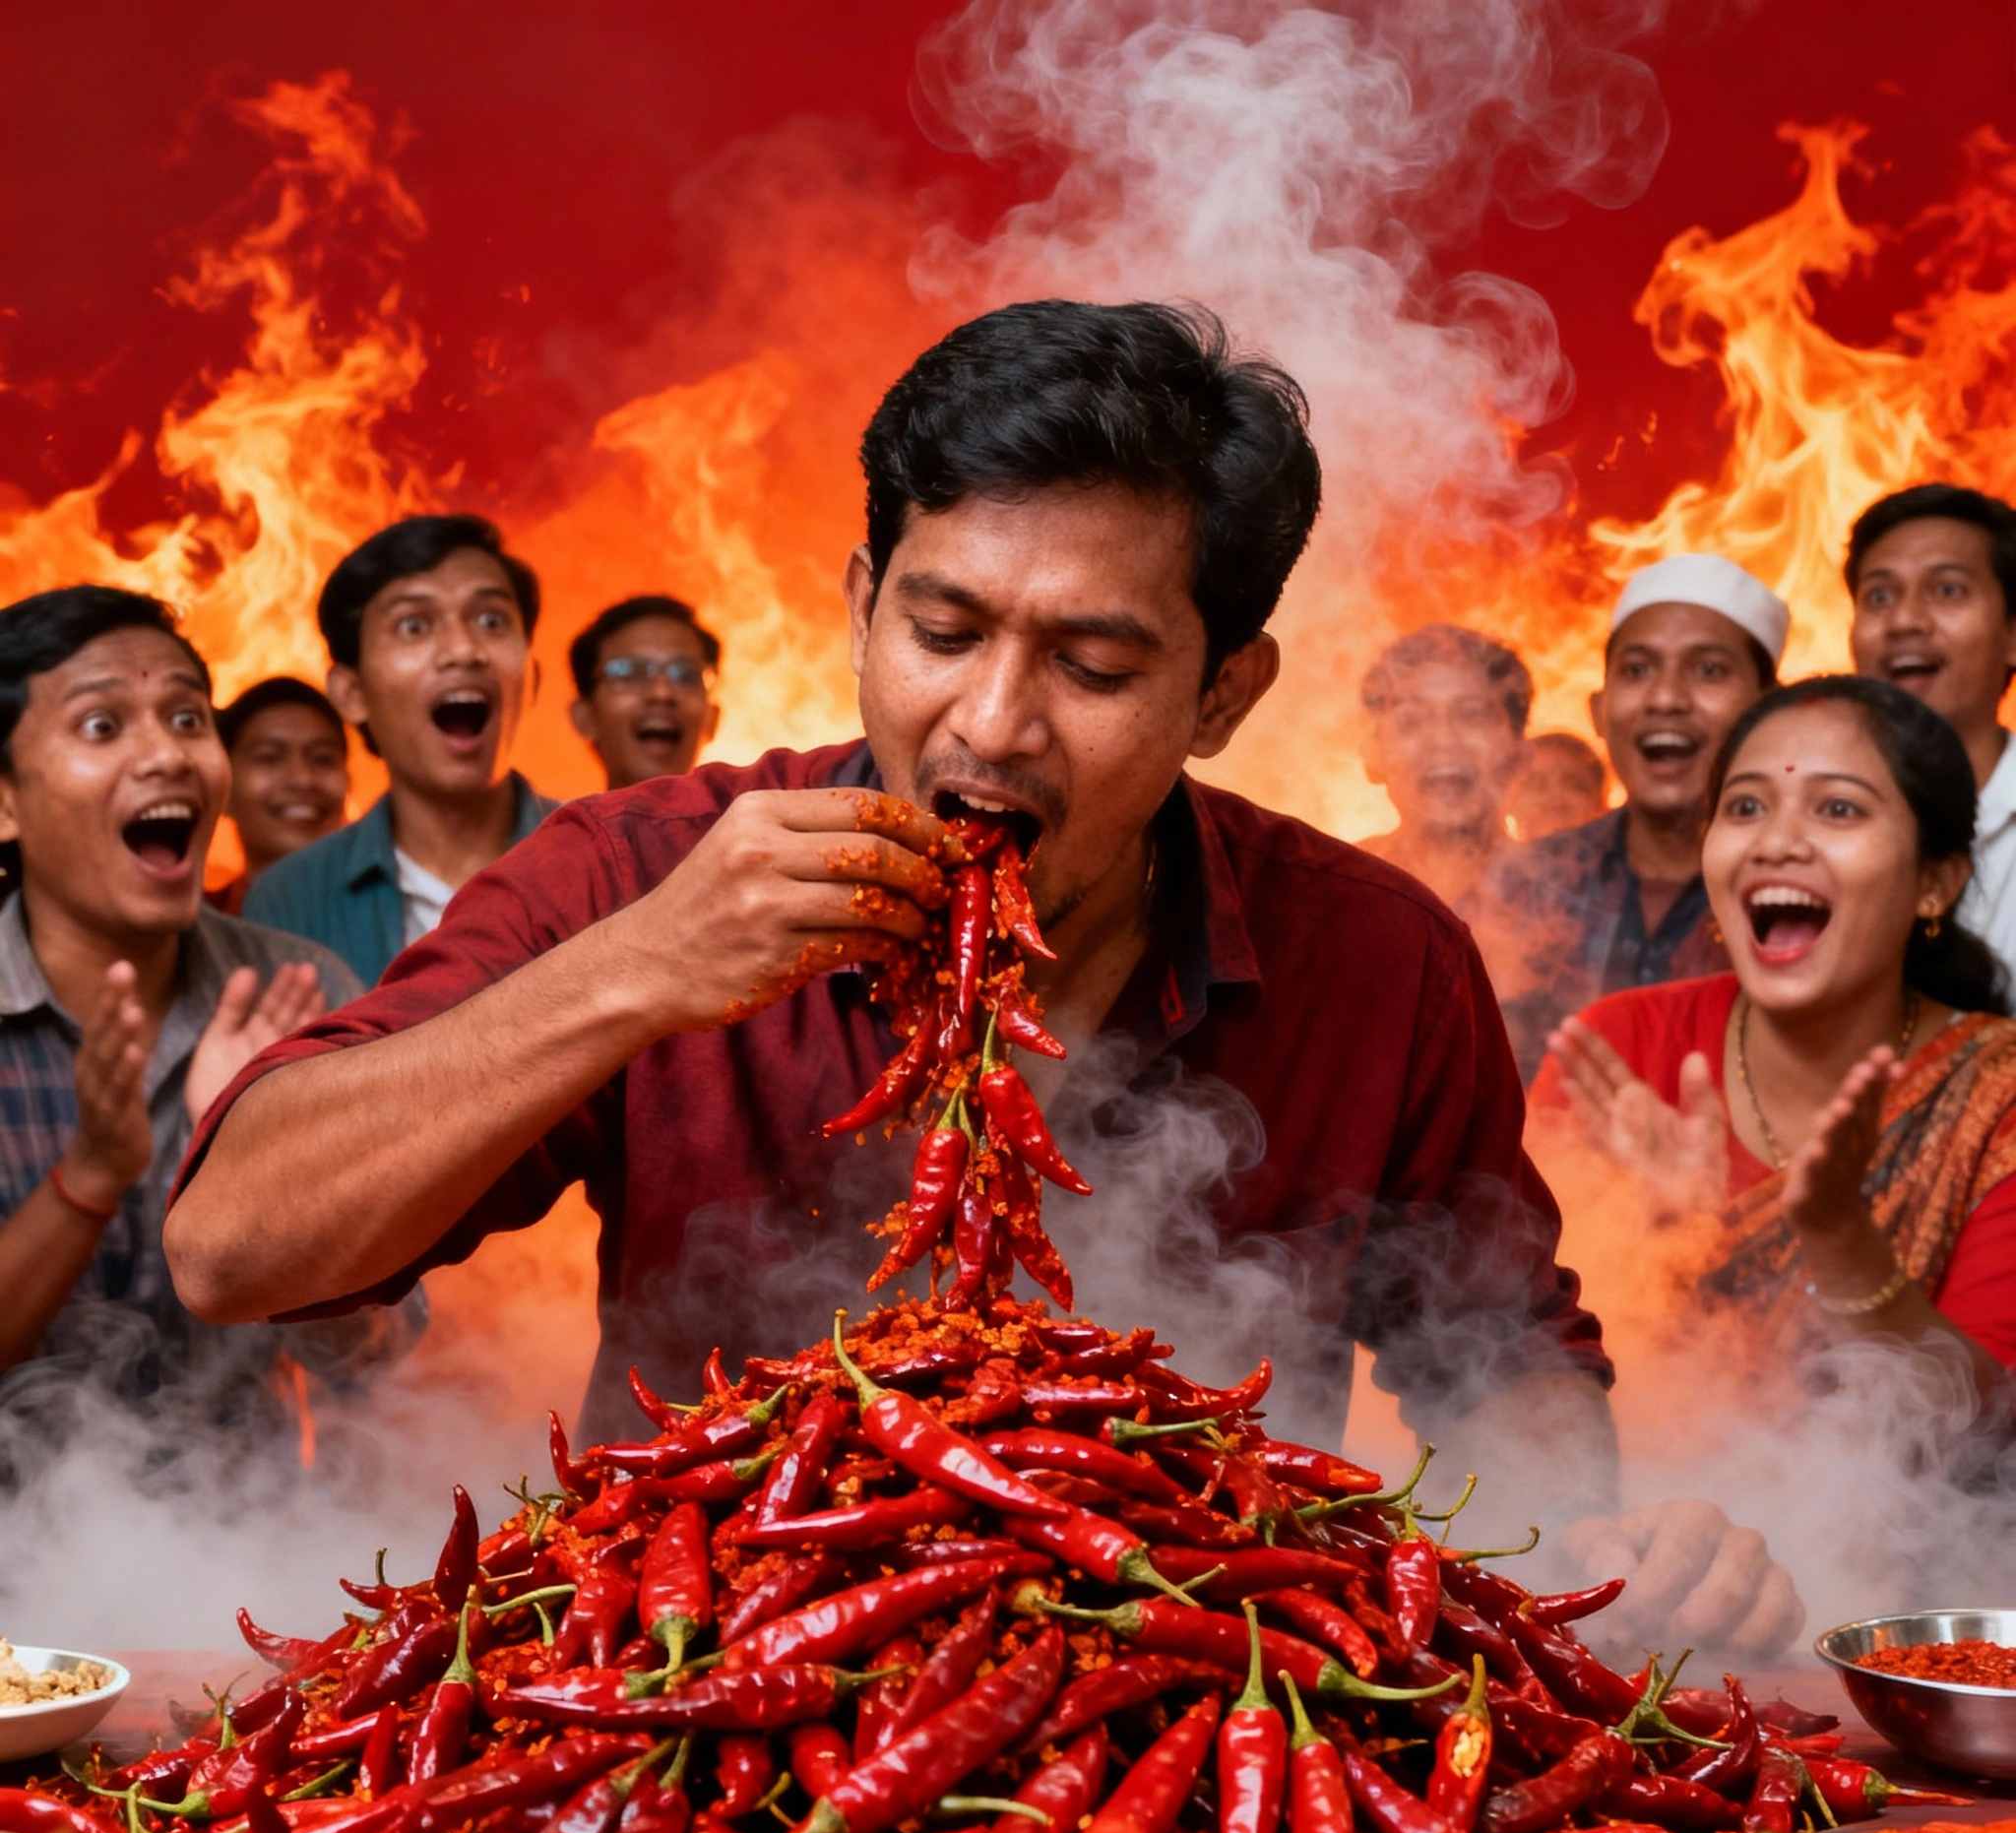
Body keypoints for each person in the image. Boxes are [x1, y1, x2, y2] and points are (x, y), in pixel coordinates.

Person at [165, 299, 1797, 1651]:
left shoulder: (1369, 957)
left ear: (1224, 692)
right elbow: (236, 1246)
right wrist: (636, 972)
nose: (994, 723)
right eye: (940, 629)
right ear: (863, 604)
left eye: (1091, 664)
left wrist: (1591, 1548)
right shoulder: (645, 869)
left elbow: (1496, 1347)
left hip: (1181, 1703)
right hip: (685, 1705)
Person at [0, 586, 410, 1437]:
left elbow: (372, 1351)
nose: (170, 756)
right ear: (5, 801)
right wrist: (95, 1172)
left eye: (189, 719)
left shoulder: (306, 990)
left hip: (241, 1554)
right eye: (103, 726)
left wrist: (262, 1178)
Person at [1537, 676, 2015, 1386]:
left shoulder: (1996, 1101)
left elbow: (1991, 1444)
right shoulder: (1621, 1048)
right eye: (1747, 806)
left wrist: (1843, 1242)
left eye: (1839, 808)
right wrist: (1658, 1254)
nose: (1777, 841)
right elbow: (1506, 1361)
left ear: (1935, 883)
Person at [1483, 553, 1786, 1083]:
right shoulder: (1527, 882)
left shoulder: (1797, 887)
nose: (1666, 698)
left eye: (1708, 669)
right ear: (1599, 712)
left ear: (1769, 708)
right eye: (1638, 670)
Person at [243, 516, 558, 984]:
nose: (463, 650)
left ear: (531, 676)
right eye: (414, 625)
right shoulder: (289, 899)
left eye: (491, 620)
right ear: (352, 693)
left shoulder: (611, 864)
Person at [1848, 482, 2016, 987]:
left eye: (1947, 590)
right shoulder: (1813, 821)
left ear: (2012, 635)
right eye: (1879, 595)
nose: (1903, 620)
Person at [1356, 624, 1530, 912]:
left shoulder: (1571, 898)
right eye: (1411, 720)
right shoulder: (1334, 885)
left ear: (1520, 756)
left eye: (1472, 715)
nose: (1443, 741)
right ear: (1373, 757)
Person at [209, 675, 350, 915]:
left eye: (323, 759)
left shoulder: (396, 916)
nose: (303, 779)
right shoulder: (188, 929)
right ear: (224, 788)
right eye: (269, 758)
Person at [569, 596, 723, 790]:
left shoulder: (751, 817)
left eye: (686, 675)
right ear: (585, 716)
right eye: (630, 673)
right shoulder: (555, 820)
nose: (661, 692)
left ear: (713, 718)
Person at [1506, 730, 1607, 844]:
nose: (1556, 795)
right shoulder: (1493, 860)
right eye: (1537, 785)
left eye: (1574, 785)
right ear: (1510, 803)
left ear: (1600, 803)